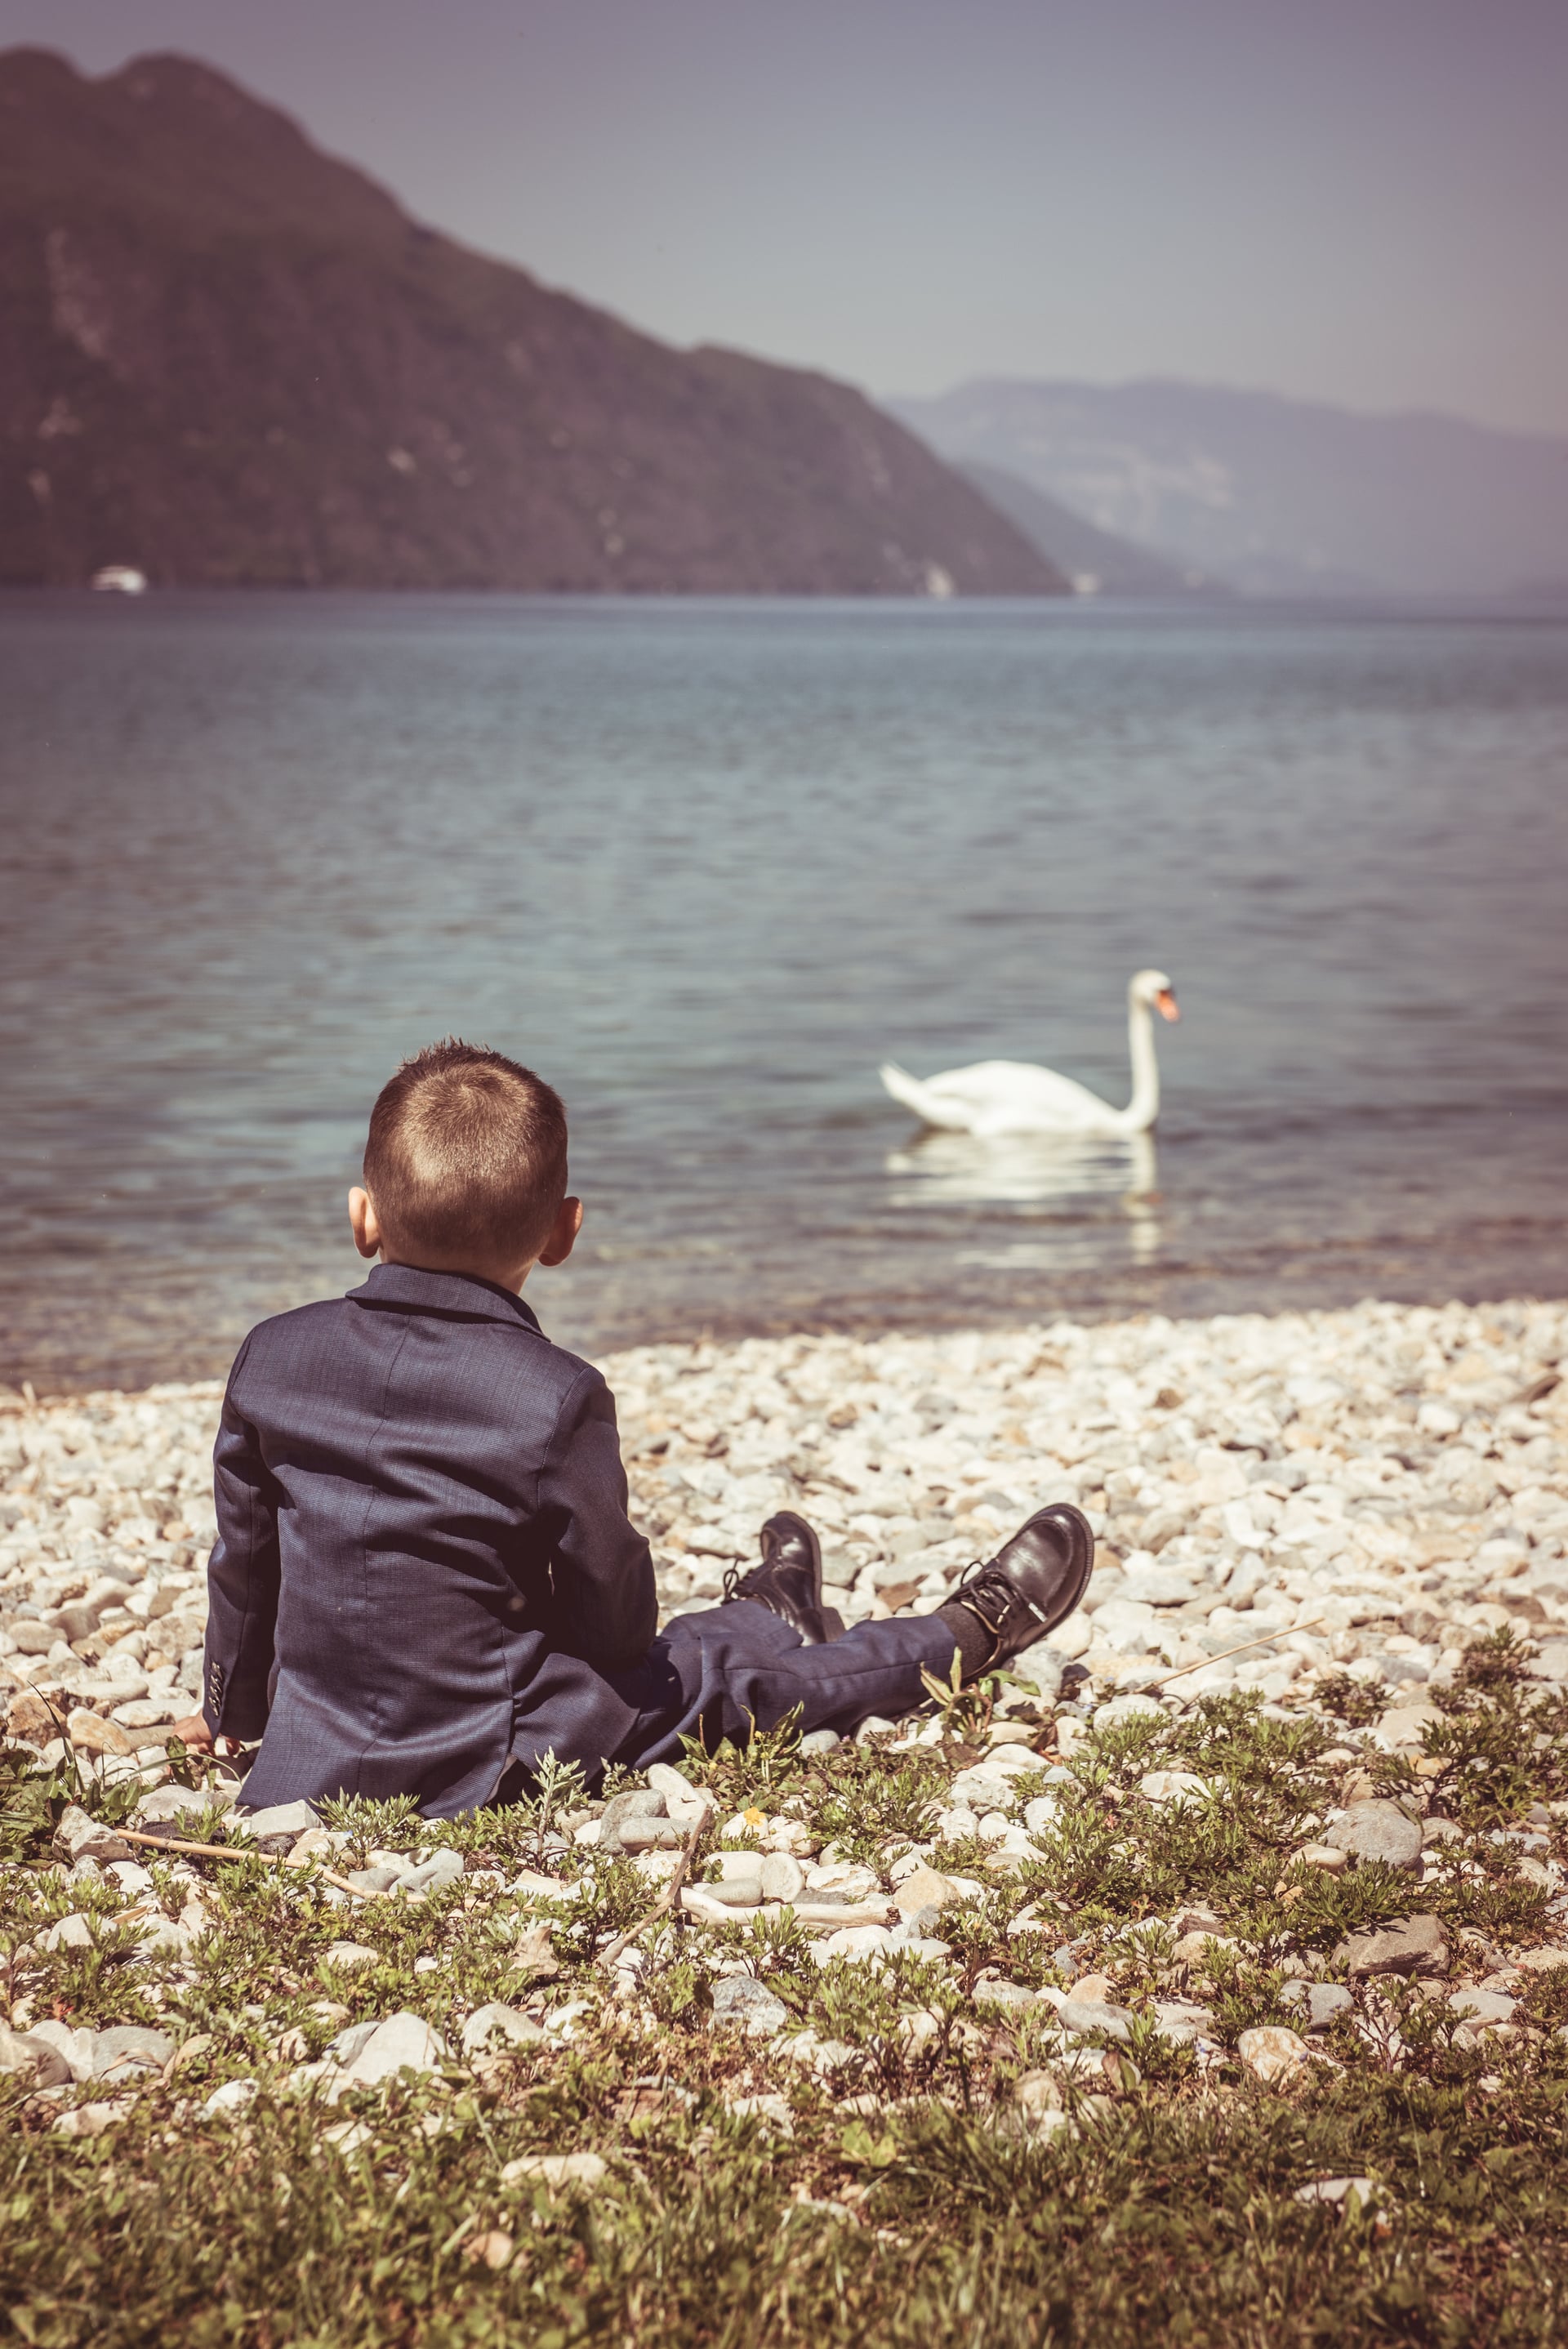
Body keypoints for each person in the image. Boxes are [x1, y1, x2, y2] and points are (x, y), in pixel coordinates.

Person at [174, 1041, 1093, 1816]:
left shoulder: (272, 1355)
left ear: (361, 1217)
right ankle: (967, 1632)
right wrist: (617, 1667)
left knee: (689, 1652)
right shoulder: (552, 1394)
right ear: (564, 1232)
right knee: (726, 1685)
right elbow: (611, 1608)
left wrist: (235, 1711)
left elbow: (247, 1568)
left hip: (309, 1759)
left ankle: (767, 1609)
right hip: (495, 1757)